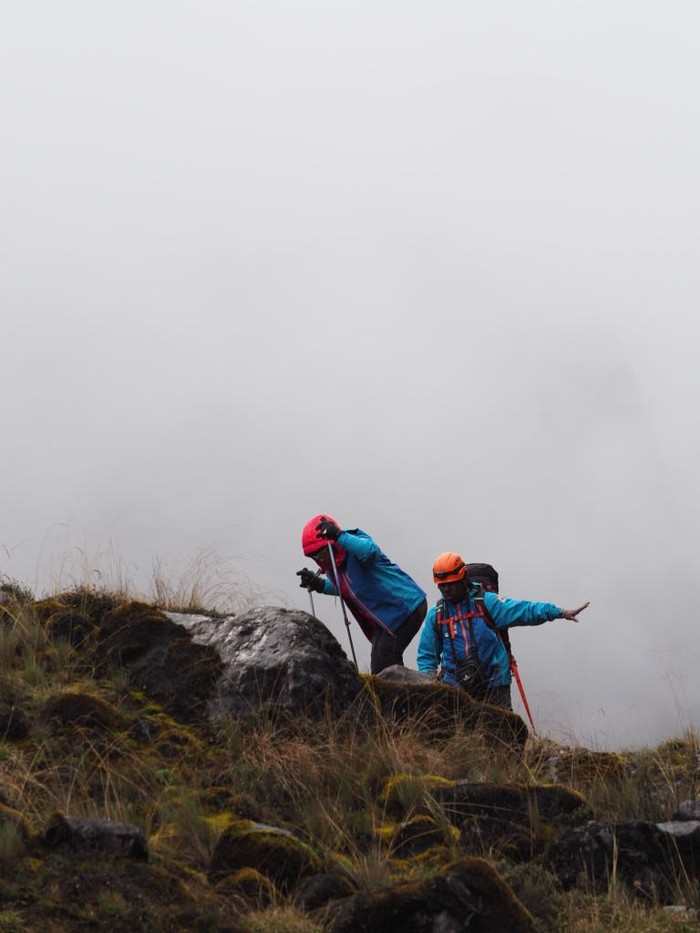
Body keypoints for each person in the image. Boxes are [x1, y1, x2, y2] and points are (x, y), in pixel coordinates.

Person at [417, 552, 589, 709]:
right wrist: (430, 686)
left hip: (494, 683)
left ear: (463, 578)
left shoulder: (487, 602)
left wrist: (560, 612)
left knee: (500, 736)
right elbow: (427, 655)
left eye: (451, 584)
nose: (446, 590)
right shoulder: (436, 615)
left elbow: (524, 610)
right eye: (442, 585)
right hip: (455, 685)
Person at [297, 515, 427, 675]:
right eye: (315, 556)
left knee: (384, 662)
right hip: (387, 618)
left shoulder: (353, 544)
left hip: (406, 607)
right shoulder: (334, 567)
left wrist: (339, 535)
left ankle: (406, 696)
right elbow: (348, 589)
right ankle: (406, 695)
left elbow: (370, 551)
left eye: (322, 552)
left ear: (331, 542)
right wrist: (320, 585)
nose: (320, 558)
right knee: (381, 666)